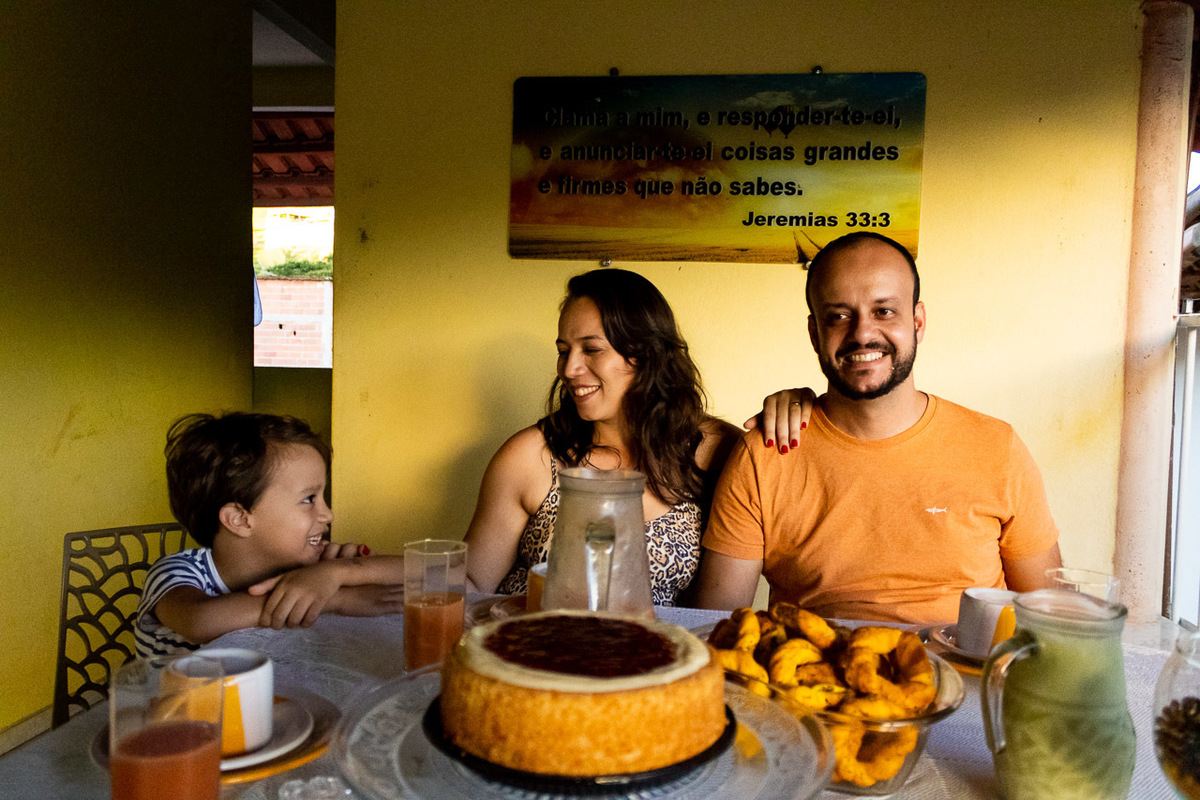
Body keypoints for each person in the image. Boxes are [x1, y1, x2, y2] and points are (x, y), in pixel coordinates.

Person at [696, 232, 1062, 624]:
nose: (862, 333)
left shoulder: (996, 447)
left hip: (970, 675)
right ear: (815, 334)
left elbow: (1051, 618)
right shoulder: (765, 452)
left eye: (884, 311)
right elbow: (708, 628)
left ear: (917, 322)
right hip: (820, 677)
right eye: (838, 315)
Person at [464, 268, 745, 606]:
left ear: (645, 354)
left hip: (649, 651)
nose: (569, 369)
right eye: (564, 350)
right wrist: (382, 570)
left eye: (591, 349)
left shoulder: (713, 450)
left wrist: (791, 404)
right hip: (533, 647)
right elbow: (472, 579)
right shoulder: (531, 455)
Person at [135, 412, 404, 656]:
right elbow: (198, 621)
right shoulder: (177, 573)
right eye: (309, 499)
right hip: (177, 708)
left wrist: (340, 572)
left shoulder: (309, 567)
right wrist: (336, 599)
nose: (328, 515)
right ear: (240, 519)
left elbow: (435, 568)